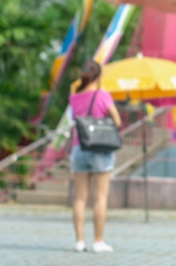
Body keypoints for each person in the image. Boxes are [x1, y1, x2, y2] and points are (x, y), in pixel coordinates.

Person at [69, 60, 122, 253]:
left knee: (80, 198)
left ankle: (79, 241)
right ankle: (98, 242)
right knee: (100, 198)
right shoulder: (103, 95)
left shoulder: (74, 97)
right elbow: (117, 121)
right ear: (99, 76)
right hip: (100, 150)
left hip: (79, 148)